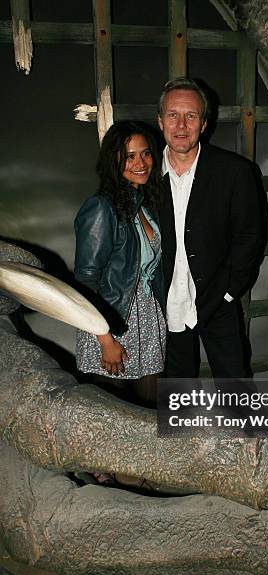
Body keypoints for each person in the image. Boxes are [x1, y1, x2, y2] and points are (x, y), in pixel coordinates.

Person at [157, 77, 263, 379]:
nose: (181, 125)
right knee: (176, 388)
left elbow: (250, 236)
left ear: (204, 123)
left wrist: (230, 292)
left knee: (234, 382)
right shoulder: (145, 172)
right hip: (165, 300)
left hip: (218, 298)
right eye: (173, 115)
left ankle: (245, 428)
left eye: (190, 116)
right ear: (160, 120)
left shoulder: (235, 172)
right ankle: (181, 428)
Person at [74, 120, 165, 407]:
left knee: (148, 411)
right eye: (129, 155)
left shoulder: (145, 204)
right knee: (113, 417)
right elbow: (85, 281)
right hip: (112, 321)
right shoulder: (101, 207)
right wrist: (106, 340)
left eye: (146, 153)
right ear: (113, 160)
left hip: (147, 318)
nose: (141, 163)